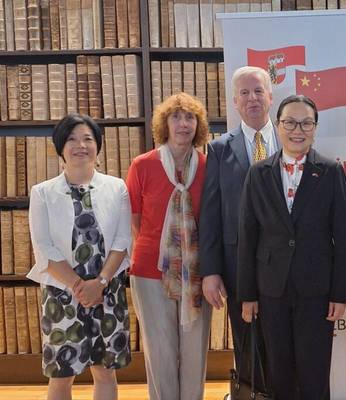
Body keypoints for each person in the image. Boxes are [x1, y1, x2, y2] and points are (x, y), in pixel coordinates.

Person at [237, 94, 346, 399]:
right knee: (279, 371)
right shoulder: (258, 173)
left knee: (315, 372)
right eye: (290, 122)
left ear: (315, 128)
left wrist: (340, 293)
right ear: (278, 126)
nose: (297, 130)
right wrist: (247, 294)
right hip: (270, 289)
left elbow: (343, 236)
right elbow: (248, 236)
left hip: (316, 289)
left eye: (306, 123)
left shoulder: (330, 172)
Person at [27, 113, 132, 400]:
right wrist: (79, 287)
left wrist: (100, 283)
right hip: (63, 295)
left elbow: (122, 241)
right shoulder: (43, 193)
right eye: (72, 139)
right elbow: (44, 249)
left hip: (106, 292)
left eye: (88, 138)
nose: (80, 145)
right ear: (60, 148)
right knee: (62, 374)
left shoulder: (117, 188)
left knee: (105, 372)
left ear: (98, 145)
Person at [198, 66, 279, 394]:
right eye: (244, 93)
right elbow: (210, 213)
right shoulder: (220, 149)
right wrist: (210, 271)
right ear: (234, 102)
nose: (252, 98)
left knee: (284, 345)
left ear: (270, 96)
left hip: (284, 266)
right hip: (237, 266)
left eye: (258, 91)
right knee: (247, 346)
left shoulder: (290, 139)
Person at [126, 92, 212, 400]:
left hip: (198, 272)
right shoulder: (142, 165)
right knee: (160, 350)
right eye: (176, 117)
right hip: (150, 271)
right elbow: (135, 219)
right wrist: (167, 252)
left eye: (190, 117)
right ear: (165, 124)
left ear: (198, 126)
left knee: (194, 351)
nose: (183, 124)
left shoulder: (209, 166)